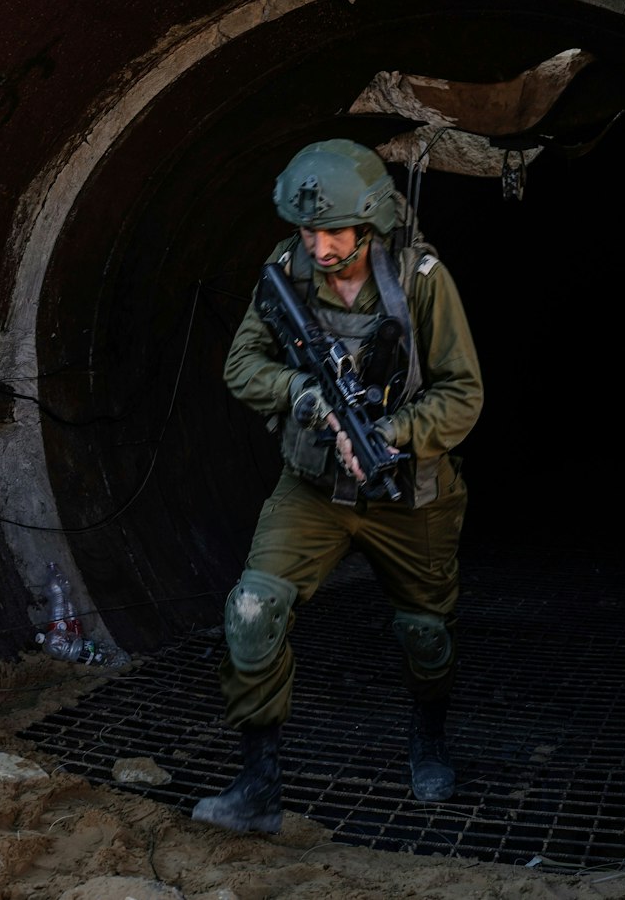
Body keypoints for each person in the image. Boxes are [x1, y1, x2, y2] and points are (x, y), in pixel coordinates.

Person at [192, 138, 484, 834]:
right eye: (306, 231)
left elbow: (464, 394)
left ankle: (429, 736)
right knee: (253, 613)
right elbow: (241, 367)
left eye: (332, 232)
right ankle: (259, 786)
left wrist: (390, 434)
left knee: (426, 634)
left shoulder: (421, 278)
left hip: (410, 494)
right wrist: (304, 393)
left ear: (371, 221)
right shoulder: (287, 271)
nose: (318, 246)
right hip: (313, 487)